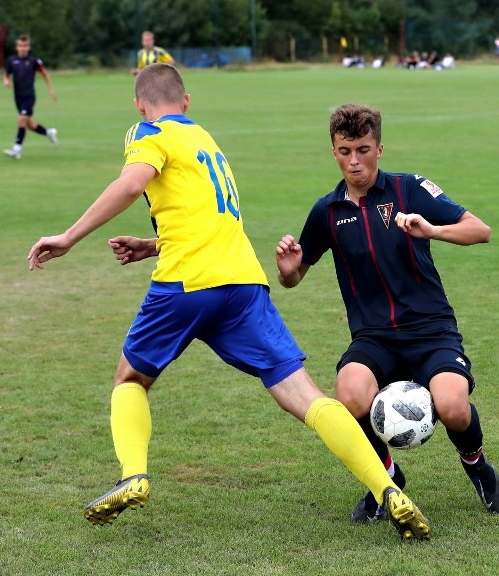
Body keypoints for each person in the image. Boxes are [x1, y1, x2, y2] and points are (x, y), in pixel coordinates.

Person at [26, 64, 431, 542]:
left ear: (140, 105)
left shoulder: (149, 133)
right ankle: (388, 488)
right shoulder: (204, 139)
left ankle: (133, 474)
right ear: (187, 102)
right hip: (242, 284)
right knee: (306, 397)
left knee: (130, 378)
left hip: (186, 284)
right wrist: (152, 244)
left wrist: (69, 237)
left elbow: (133, 182)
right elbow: (207, 217)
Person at [275, 103, 499, 524]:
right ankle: (386, 479)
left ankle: (476, 466)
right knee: (348, 395)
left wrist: (433, 230)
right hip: (374, 338)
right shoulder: (326, 212)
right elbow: (294, 279)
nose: (354, 161)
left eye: (363, 150)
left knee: (454, 406)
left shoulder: (410, 190)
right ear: (334, 151)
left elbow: (481, 230)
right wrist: (289, 270)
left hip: (430, 330)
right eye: (345, 151)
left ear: (380, 149)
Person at [2, 34, 58, 160]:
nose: (23, 48)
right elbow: (6, 74)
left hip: (29, 97)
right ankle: (49, 132)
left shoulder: (33, 61)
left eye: (25, 46)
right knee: (30, 125)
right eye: (20, 46)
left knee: (21, 119)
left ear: (28, 47)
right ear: (17, 47)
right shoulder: (12, 61)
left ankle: (16, 149)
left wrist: (51, 90)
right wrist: (6, 81)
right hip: (17, 97)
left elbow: (45, 74)